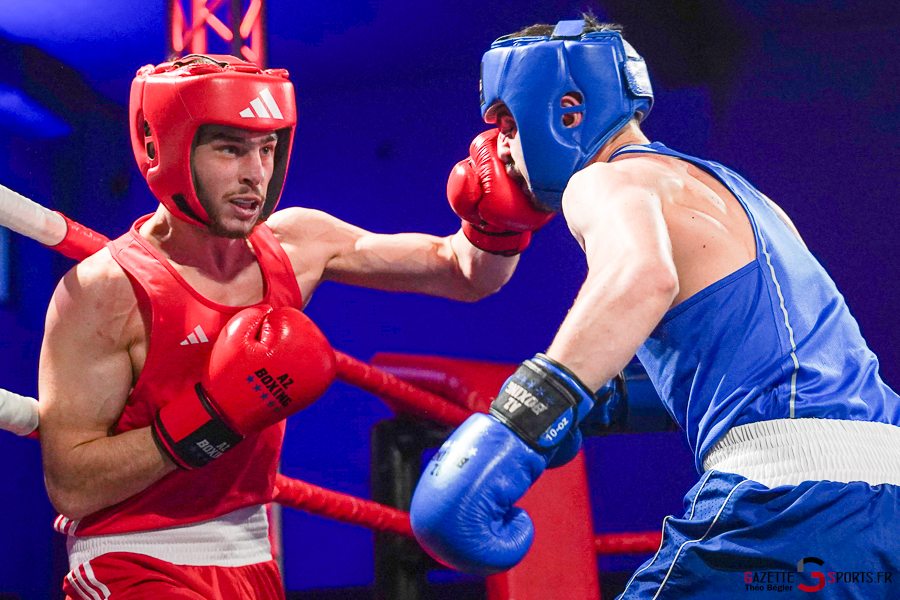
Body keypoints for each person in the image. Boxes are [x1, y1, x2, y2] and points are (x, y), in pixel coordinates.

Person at [410, 16, 900, 598]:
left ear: (567, 110)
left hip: (783, 500)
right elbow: (772, 364)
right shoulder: (742, 196)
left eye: (511, 125)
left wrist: (521, 423)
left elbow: (640, 277)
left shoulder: (604, 183)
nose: (503, 150)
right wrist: (605, 404)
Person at [38, 54, 551, 599]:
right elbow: (72, 485)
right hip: (132, 557)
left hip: (251, 557)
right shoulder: (104, 289)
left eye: (267, 148)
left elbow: (464, 273)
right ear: (161, 146)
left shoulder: (295, 245)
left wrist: (501, 215)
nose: (254, 174)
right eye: (230, 147)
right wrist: (213, 417)